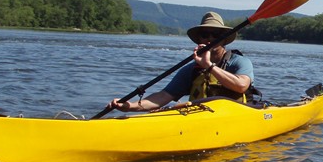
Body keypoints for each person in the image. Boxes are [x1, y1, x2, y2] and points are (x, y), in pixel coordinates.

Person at [107, 12, 255, 112]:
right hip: (201, 118)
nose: (210, 38)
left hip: (236, 115)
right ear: (199, 39)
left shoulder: (239, 62)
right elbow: (163, 96)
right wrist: (130, 106)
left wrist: (209, 66)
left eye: (215, 34)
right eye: (205, 34)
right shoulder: (191, 70)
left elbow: (241, 86)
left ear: (224, 38)